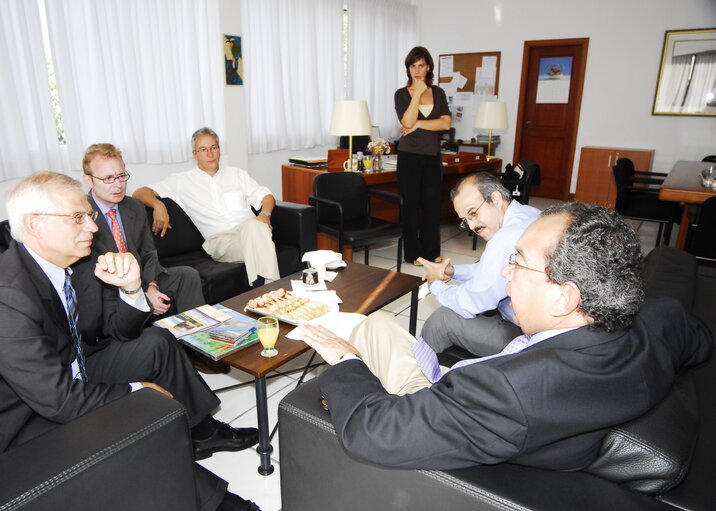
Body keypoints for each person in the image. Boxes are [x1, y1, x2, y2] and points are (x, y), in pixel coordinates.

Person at [298, 202, 712, 471]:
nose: (504, 273)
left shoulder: (508, 392)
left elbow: (374, 432)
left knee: (356, 341)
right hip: (472, 388)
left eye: (518, 262)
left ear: (566, 297)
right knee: (376, 325)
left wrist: (344, 361)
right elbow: (701, 341)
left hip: (439, 411)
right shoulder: (659, 317)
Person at [0, 173, 260, 510]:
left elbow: (121, 332)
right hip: (16, 418)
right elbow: (57, 401)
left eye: (89, 215)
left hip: (73, 368)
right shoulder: (1, 298)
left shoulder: (80, 261)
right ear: (34, 225)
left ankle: (201, 430)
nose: (93, 227)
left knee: (156, 340)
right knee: (134, 433)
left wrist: (130, 289)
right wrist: (136, 392)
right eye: (77, 217)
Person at [133, 127, 278, 286]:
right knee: (260, 240)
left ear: (219, 149)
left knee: (255, 228)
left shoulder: (237, 174)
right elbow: (140, 192)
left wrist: (265, 214)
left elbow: (266, 196)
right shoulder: (182, 181)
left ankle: (267, 295)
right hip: (222, 242)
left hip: (253, 233)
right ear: (194, 154)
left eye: (213, 147)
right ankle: (276, 292)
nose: (210, 154)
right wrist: (157, 204)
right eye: (203, 149)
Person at [417, 171, 541, 356]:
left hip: (533, 341)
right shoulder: (530, 213)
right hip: (549, 326)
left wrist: (436, 285)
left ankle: (421, 378)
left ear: (496, 198)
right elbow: (493, 272)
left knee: (441, 320)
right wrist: (453, 271)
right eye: (465, 220)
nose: (473, 226)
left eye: (473, 213)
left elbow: (472, 302)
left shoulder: (506, 237)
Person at [83, 143, 204, 318]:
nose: (118, 185)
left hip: (143, 279)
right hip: (109, 288)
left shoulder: (134, 206)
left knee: (187, 275)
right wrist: (138, 294)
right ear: (89, 180)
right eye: (108, 178)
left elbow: (148, 252)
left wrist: (152, 286)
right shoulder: (82, 215)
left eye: (121, 176)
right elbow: (90, 275)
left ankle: (198, 336)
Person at [394, 46, 451, 265]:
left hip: (432, 156)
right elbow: (405, 122)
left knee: (431, 204)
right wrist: (416, 93)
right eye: (412, 66)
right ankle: (413, 254)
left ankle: (432, 250)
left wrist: (417, 123)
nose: (417, 70)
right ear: (408, 68)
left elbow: (445, 123)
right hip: (409, 156)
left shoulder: (438, 92)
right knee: (410, 206)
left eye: (421, 65)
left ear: (428, 67)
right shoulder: (401, 94)